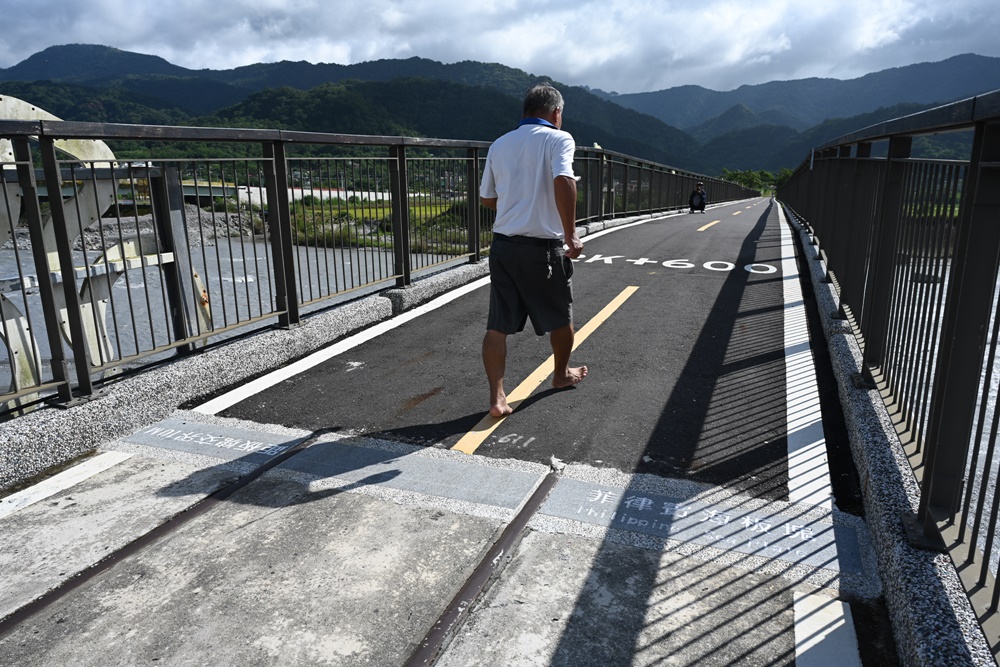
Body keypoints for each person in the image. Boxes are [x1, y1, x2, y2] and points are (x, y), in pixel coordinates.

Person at [478, 83, 588, 418]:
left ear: (525, 112)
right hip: (543, 248)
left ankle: (497, 398)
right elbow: (564, 180)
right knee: (560, 316)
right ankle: (560, 374)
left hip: (504, 246)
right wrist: (571, 235)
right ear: (556, 113)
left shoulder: (500, 143)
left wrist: (516, 203)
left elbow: (487, 198)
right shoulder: (559, 138)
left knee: (498, 325)